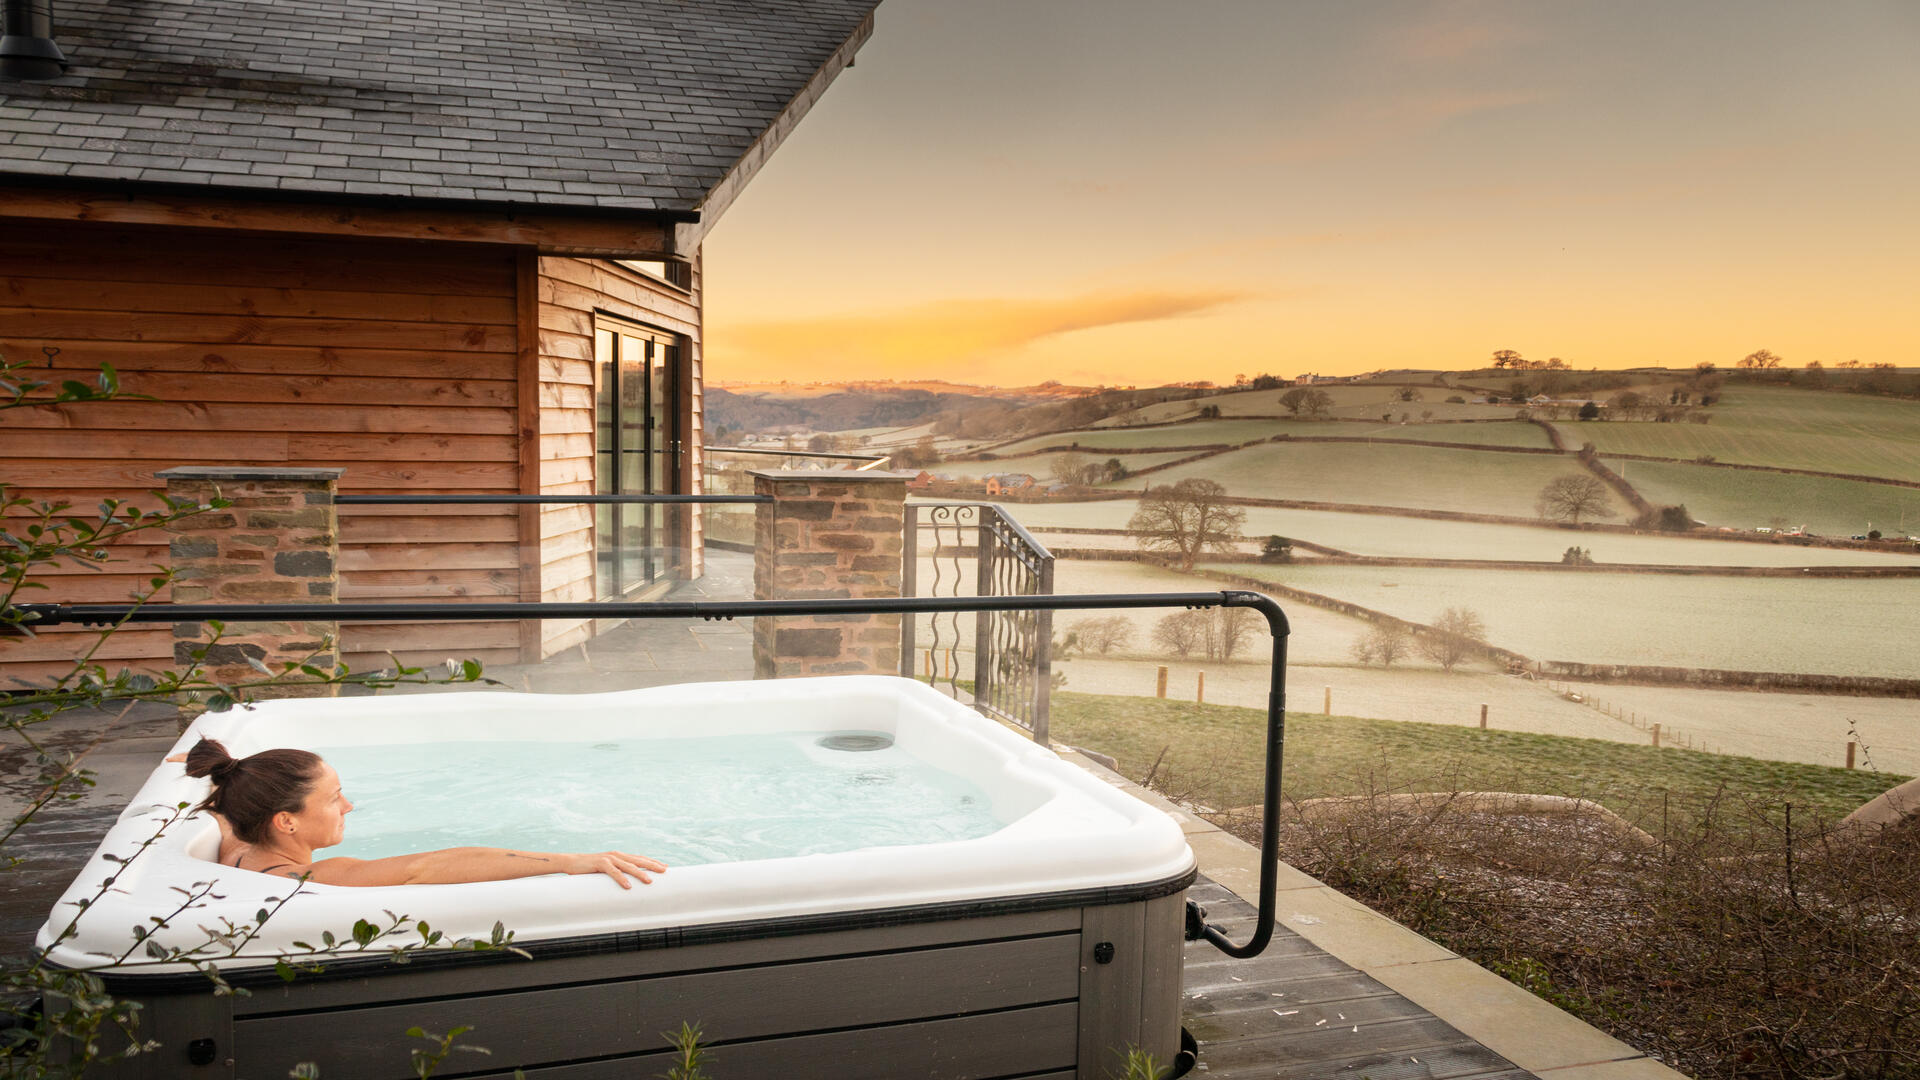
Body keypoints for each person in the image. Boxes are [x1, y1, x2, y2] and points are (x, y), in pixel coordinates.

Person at [170, 738, 667, 889]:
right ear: (287, 821)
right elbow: (425, 867)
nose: (348, 805)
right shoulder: (310, 878)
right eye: (333, 797)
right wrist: (568, 860)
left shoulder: (235, 841)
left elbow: (222, 799)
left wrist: (223, 766)